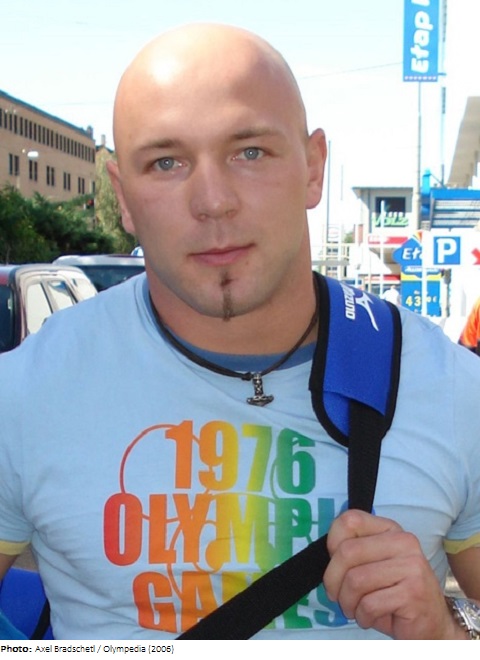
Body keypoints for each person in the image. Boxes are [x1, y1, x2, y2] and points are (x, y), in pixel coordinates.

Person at [0, 23, 479, 641]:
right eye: (166, 162)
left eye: (249, 152)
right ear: (123, 196)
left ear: (314, 168)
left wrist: (443, 635)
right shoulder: (26, 394)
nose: (213, 201)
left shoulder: (452, 390)